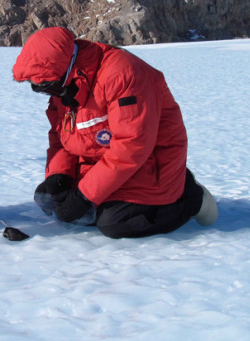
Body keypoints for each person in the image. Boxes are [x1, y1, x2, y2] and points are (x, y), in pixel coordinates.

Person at [12, 27, 217, 239]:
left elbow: (132, 146)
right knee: (53, 200)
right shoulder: (64, 84)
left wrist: (84, 196)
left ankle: (191, 197)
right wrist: (59, 175)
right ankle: (103, 202)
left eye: (46, 85)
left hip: (153, 165)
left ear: (64, 69)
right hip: (108, 165)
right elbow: (61, 136)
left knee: (116, 223)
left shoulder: (124, 75)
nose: (45, 91)